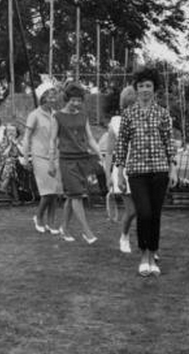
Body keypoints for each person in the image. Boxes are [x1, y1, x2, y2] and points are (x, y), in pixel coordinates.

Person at [114, 68, 178, 277]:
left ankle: (152, 256)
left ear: (154, 89)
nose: (144, 90)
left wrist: (173, 168)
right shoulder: (128, 114)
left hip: (160, 170)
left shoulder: (162, 113)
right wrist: (119, 172)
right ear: (136, 89)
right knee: (144, 213)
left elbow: (169, 143)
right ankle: (144, 256)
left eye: (148, 86)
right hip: (137, 172)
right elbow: (122, 144)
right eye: (141, 86)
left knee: (155, 215)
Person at [49, 82, 102, 245]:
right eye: (73, 100)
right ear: (67, 99)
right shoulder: (57, 116)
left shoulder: (83, 116)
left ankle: (64, 228)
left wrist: (99, 153)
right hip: (66, 160)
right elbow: (52, 140)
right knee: (77, 195)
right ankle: (87, 232)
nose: (76, 103)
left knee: (73, 196)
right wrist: (51, 162)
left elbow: (90, 138)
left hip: (83, 159)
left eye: (79, 100)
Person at [102, 86, 138, 252]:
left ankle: (147, 245)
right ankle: (124, 236)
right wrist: (108, 175)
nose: (132, 108)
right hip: (122, 172)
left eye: (134, 104)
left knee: (145, 212)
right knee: (132, 211)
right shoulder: (115, 123)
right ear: (123, 105)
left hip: (142, 170)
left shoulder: (144, 120)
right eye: (128, 105)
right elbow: (109, 153)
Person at [23, 83, 62, 234]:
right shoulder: (34, 115)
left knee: (55, 192)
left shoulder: (56, 114)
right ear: (43, 97)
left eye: (54, 94)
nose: (53, 96)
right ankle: (38, 217)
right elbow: (26, 138)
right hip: (39, 156)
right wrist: (26, 157)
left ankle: (51, 223)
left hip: (55, 156)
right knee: (47, 192)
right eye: (50, 94)